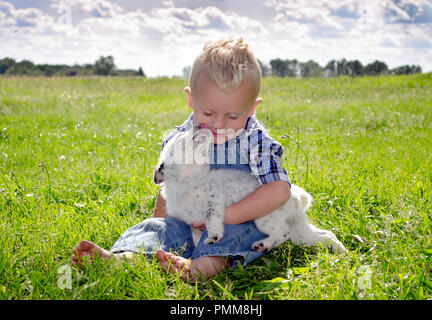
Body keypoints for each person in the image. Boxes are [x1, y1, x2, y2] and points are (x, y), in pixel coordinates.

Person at [71, 37, 291, 281]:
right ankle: (125, 257)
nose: (218, 124)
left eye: (232, 116)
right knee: (159, 229)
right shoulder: (182, 137)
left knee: (236, 234)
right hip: (190, 217)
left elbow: (278, 190)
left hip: (238, 217)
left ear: (251, 109)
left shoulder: (254, 139)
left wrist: (227, 215)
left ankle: (200, 268)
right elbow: (171, 184)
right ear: (191, 99)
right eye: (208, 112)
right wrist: (161, 221)